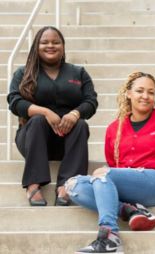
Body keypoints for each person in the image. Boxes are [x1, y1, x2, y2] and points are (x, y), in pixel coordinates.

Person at [65, 71, 155, 253]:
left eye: (151, 92)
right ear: (128, 93)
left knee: (103, 173)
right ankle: (130, 211)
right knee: (73, 185)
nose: (145, 96)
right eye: (140, 91)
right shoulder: (114, 129)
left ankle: (109, 236)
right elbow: (113, 170)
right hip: (131, 187)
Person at [7, 26, 98, 206]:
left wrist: (75, 113)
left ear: (63, 46)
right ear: (36, 46)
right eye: (45, 42)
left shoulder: (78, 72)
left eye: (56, 42)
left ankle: (67, 185)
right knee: (39, 120)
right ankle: (33, 184)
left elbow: (91, 101)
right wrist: (45, 111)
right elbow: (14, 102)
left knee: (81, 125)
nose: (51, 45)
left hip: (66, 140)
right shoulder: (23, 72)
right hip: (33, 138)